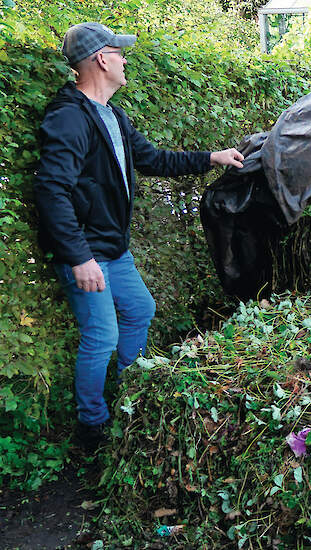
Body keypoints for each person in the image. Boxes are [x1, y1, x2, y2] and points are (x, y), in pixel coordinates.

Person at [33, 22, 244, 452]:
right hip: (87, 253)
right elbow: (51, 190)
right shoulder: (69, 116)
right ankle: (92, 427)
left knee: (140, 309)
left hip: (114, 249)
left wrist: (212, 157)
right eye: (120, 52)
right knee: (102, 335)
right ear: (101, 59)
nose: (126, 60)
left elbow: (151, 158)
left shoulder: (113, 115)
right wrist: (78, 257)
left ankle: (130, 398)